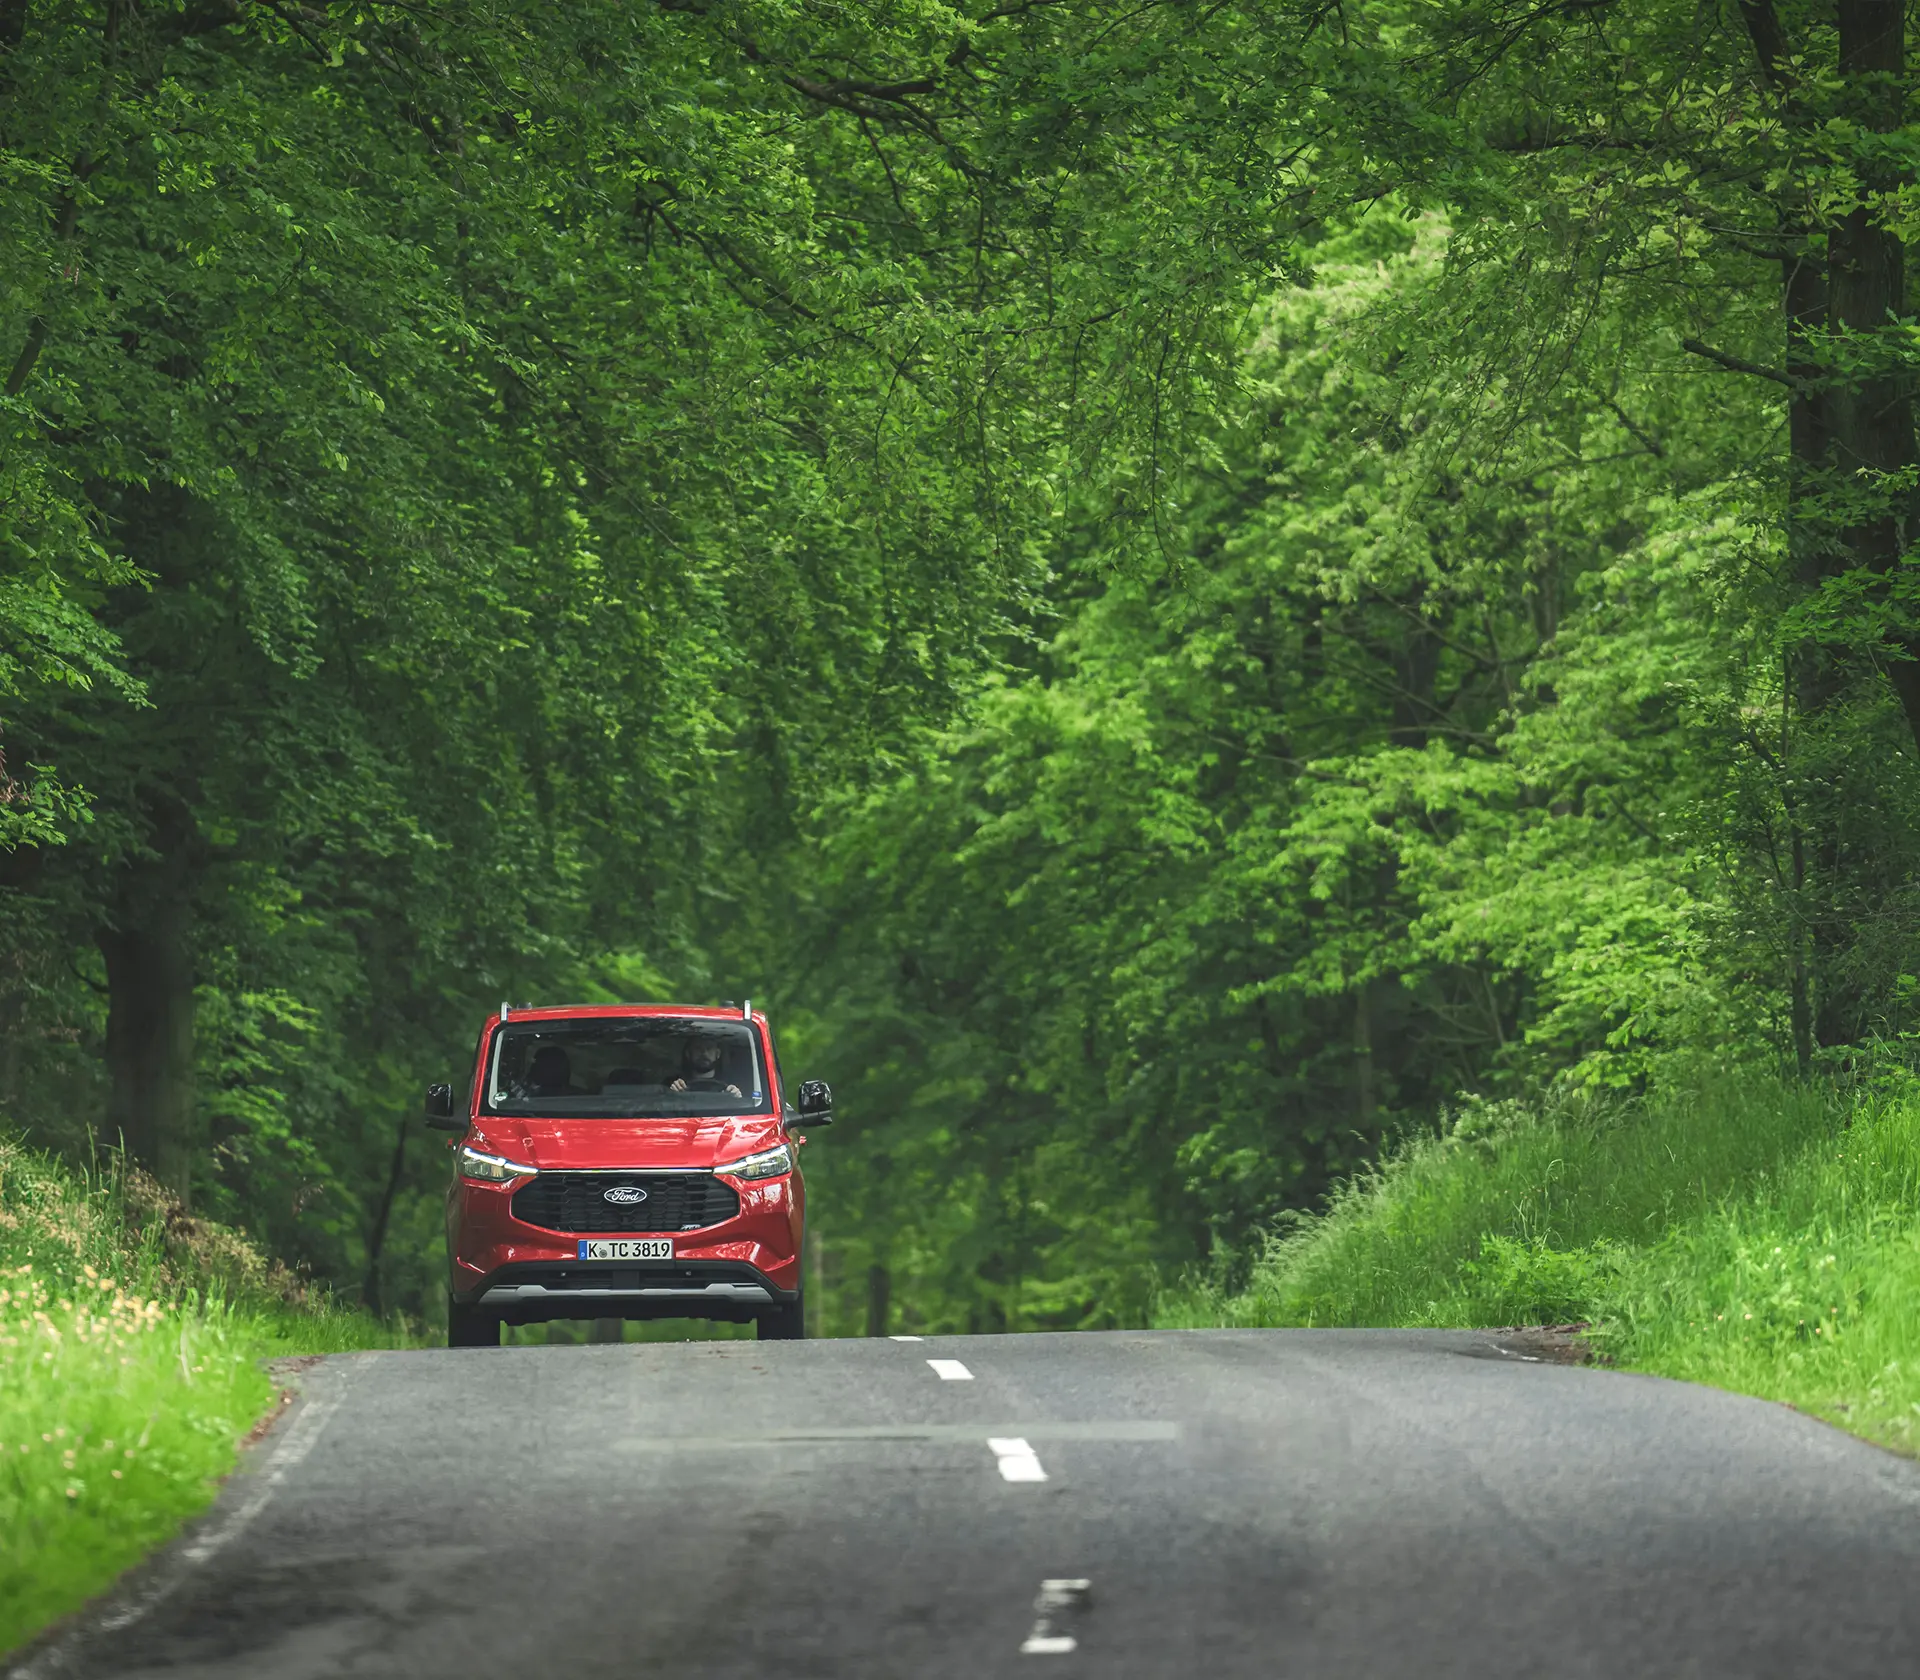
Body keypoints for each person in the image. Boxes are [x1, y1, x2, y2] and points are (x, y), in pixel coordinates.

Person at [670, 1035, 742, 1097]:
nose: (704, 1052)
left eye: (709, 1048)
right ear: (688, 1053)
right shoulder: (675, 1083)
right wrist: (671, 1094)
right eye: (698, 1048)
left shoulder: (731, 1084)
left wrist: (736, 1097)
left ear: (717, 1054)